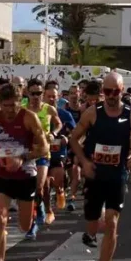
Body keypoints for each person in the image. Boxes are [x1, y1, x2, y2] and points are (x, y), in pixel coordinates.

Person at [69, 72, 131, 261]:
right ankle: (91, 231)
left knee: (113, 223)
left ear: (122, 91)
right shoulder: (92, 114)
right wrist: (84, 162)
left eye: (116, 91)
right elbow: (73, 138)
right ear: (102, 92)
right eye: (107, 91)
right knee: (93, 221)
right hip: (94, 175)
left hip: (117, 176)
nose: (112, 96)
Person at [0, 84, 48, 261]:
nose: (9, 110)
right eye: (5, 105)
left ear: (21, 102)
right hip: (0, 176)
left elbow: (43, 148)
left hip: (25, 175)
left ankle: (31, 212)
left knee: (24, 226)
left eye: (13, 105)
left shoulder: (29, 117)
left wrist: (23, 157)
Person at [25, 79, 60, 233]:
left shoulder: (49, 109)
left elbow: (58, 124)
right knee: (29, 189)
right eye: (33, 93)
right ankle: (35, 215)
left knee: (39, 187)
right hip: (27, 154)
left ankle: (39, 215)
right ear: (27, 93)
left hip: (43, 153)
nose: (36, 96)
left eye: (39, 93)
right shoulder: (22, 109)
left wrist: (53, 133)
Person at [44, 81, 76, 215]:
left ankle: (60, 191)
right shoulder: (37, 113)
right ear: (44, 96)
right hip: (43, 153)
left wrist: (67, 138)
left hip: (58, 153)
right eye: (49, 96)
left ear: (58, 97)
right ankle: (46, 209)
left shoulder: (65, 115)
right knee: (44, 185)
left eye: (54, 96)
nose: (51, 99)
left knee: (58, 180)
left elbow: (75, 133)